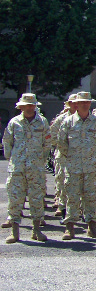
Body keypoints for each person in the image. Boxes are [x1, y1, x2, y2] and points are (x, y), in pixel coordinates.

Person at [57, 92, 96, 239]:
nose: (85, 104)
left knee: (91, 197)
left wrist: (92, 156)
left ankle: (92, 227)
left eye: (87, 102)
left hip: (91, 166)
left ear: (90, 104)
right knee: (72, 197)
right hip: (73, 167)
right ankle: (70, 227)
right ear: (76, 104)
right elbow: (62, 143)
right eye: (82, 102)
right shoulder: (68, 122)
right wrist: (72, 157)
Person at [3, 93, 51, 243]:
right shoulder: (14, 122)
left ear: (35, 106)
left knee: (36, 198)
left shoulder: (42, 122)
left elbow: (47, 144)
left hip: (36, 168)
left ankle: (36, 230)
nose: (29, 107)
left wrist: (40, 160)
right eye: (27, 105)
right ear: (21, 107)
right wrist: (12, 159)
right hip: (17, 168)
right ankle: (14, 231)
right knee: (15, 198)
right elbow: (7, 142)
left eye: (32, 105)